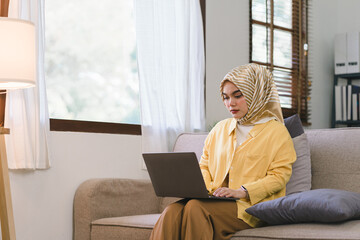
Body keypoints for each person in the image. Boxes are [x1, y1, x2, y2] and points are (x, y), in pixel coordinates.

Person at [149, 63, 297, 240]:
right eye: (225, 97)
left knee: (195, 208)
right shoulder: (220, 129)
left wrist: (242, 191)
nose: (230, 103)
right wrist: (209, 189)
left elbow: (279, 176)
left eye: (238, 95)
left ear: (256, 94)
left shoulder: (277, 131)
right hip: (215, 200)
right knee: (172, 211)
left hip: (253, 207)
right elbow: (203, 165)